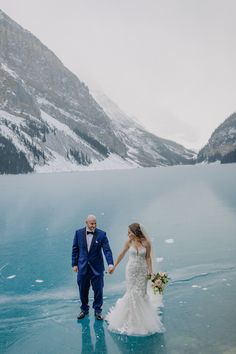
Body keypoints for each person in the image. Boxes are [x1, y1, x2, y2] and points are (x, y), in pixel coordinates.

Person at [106, 222, 165, 335]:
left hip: (142, 272)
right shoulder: (129, 242)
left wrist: (150, 271)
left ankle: (142, 320)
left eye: (130, 232)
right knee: (131, 292)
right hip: (131, 271)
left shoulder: (146, 243)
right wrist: (114, 266)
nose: (128, 234)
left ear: (136, 232)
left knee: (141, 293)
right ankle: (129, 320)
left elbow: (148, 258)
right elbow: (121, 254)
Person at [72, 214, 114, 320]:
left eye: (95, 223)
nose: (93, 225)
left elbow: (107, 250)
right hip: (82, 267)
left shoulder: (102, 234)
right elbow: (75, 249)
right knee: (82, 289)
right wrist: (74, 264)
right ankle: (84, 309)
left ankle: (98, 311)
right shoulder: (78, 233)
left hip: (97, 268)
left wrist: (110, 264)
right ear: (86, 223)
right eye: (91, 223)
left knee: (98, 290)